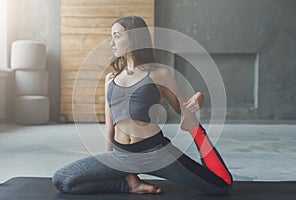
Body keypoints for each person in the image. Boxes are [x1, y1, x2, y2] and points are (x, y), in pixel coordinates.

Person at [52, 15, 232, 195]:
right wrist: (114, 166)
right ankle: (129, 186)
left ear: (133, 38)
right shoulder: (110, 79)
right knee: (62, 179)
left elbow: (183, 109)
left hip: (157, 153)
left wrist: (199, 98)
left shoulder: (160, 74)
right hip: (122, 156)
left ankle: (200, 136)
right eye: (111, 37)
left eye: (117, 36)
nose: (111, 43)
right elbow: (110, 126)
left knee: (221, 186)